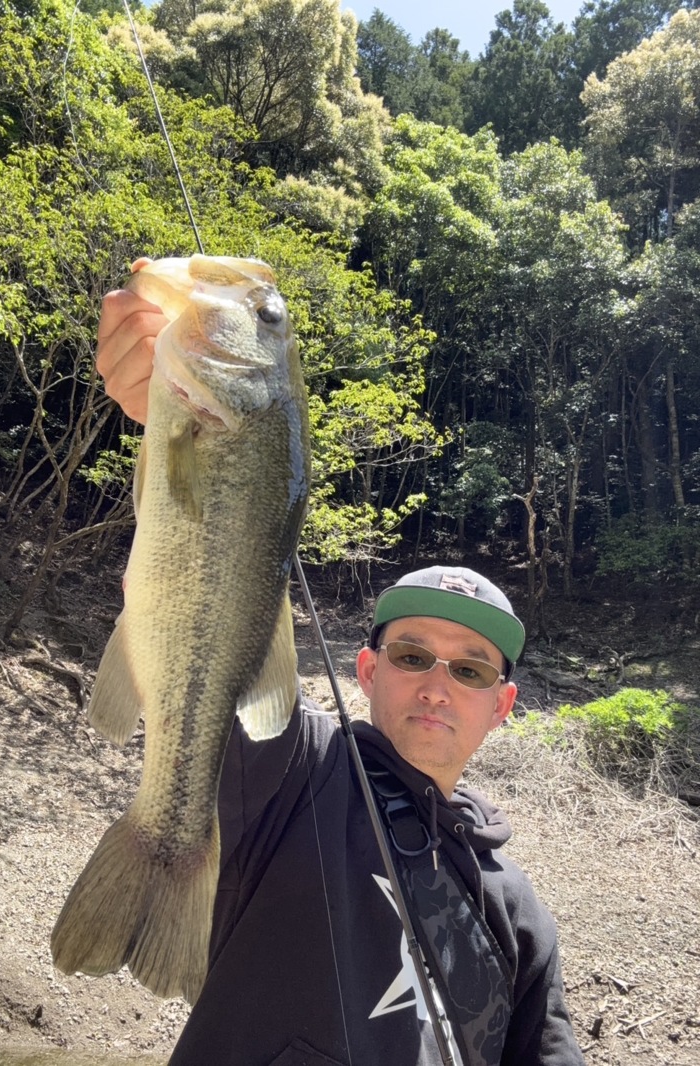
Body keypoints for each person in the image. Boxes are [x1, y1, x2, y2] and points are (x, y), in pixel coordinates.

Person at [93, 269, 586, 1066]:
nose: (436, 683)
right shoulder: (298, 775)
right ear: (366, 669)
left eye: (471, 671)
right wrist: (157, 407)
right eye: (414, 654)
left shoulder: (519, 913)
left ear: (503, 705)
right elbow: (203, 614)